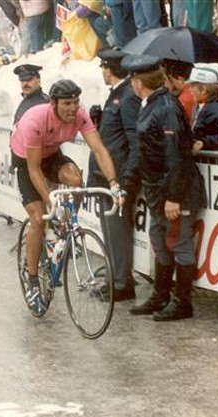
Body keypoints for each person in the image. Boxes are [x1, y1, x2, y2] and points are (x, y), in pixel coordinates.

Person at [10, 78, 122, 316]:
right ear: (53, 104)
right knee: (39, 219)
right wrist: (51, 201)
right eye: (66, 104)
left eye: (75, 102)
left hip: (51, 154)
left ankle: (63, 224)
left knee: (75, 181)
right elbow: (34, 170)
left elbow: (99, 149)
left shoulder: (80, 115)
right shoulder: (34, 120)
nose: (73, 108)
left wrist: (114, 183)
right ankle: (31, 278)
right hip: (26, 161)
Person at [121, 54, 207, 321]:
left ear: (138, 82)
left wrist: (173, 196)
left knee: (178, 243)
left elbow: (176, 155)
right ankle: (161, 295)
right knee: (159, 241)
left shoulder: (166, 107)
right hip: (157, 190)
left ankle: (183, 302)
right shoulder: (153, 105)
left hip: (173, 191)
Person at [87, 50, 140, 302]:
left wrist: (126, 178)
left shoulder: (127, 96)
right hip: (107, 175)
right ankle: (115, 277)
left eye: (104, 68)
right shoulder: (118, 94)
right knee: (110, 231)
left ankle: (121, 282)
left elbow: (133, 139)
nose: (103, 72)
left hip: (116, 176)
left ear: (109, 69)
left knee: (117, 231)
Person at [188, 67, 218, 152]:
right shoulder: (202, 106)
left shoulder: (217, 110)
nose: (189, 89)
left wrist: (204, 142)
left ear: (203, 89)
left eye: (192, 86)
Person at [161, 59, 195, 124]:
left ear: (180, 79)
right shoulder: (192, 92)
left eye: (165, 79)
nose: (165, 84)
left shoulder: (183, 100)